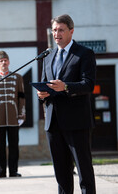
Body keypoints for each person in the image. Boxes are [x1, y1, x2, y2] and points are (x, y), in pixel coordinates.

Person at [37, 14, 96, 193]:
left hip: (77, 122)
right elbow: (44, 84)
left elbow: (89, 85)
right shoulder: (48, 56)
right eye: (54, 30)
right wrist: (42, 94)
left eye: (61, 30)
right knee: (61, 174)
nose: (57, 34)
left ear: (71, 31)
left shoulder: (84, 54)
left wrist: (66, 87)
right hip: (53, 123)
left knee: (84, 171)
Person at [0, 51, 26, 178]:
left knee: (14, 145)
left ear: (9, 62)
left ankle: (13, 170)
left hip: (14, 117)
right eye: (1, 61)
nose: (3, 62)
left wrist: (21, 115)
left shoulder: (17, 77)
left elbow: (21, 98)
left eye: (5, 60)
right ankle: (1, 170)